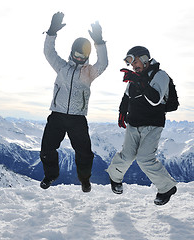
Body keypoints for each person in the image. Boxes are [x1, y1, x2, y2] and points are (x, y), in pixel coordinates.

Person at [40, 12, 108, 192]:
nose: (79, 58)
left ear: (87, 57)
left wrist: (99, 42)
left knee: (84, 153)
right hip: (57, 115)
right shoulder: (61, 67)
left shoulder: (89, 73)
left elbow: (103, 63)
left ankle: (84, 180)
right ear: (71, 53)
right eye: (77, 54)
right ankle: (50, 175)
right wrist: (51, 32)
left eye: (83, 56)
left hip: (78, 119)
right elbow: (49, 52)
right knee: (47, 148)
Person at [106, 46, 177, 205]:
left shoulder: (160, 76)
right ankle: (115, 177)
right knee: (127, 155)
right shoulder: (135, 77)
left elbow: (155, 99)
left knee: (145, 159)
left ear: (145, 59)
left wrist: (137, 79)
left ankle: (166, 188)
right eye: (130, 63)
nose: (133, 65)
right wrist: (122, 112)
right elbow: (126, 96)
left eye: (134, 60)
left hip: (153, 124)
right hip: (134, 123)